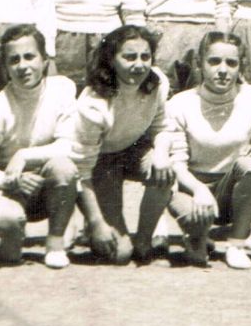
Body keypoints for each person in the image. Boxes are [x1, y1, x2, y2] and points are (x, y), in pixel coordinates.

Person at [65, 25, 177, 265]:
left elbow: (162, 128)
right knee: (119, 254)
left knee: (166, 170)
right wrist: (97, 223)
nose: (139, 64)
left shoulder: (157, 83)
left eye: (145, 56)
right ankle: (89, 224)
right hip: (100, 162)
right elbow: (81, 171)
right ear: (111, 60)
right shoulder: (94, 105)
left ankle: (145, 239)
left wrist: (160, 154)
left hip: (134, 150)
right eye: (129, 57)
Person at [163, 29, 251, 269]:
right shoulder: (180, 104)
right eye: (214, 61)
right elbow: (178, 165)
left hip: (232, 190)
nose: (223, 70)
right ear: (199, 63)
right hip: (194, 188)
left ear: (240, 66)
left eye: (231, 63)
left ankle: (236, 244)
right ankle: (197, 236)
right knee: (197, 250)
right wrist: (199, 189)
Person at [0, 26, 81, 268]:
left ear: (44, 60)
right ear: (5, 67)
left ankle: (55, 242)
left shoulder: (62, 89)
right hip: (8, 189)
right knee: (9, 250)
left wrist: (24, 155)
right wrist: (11, 180)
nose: (23, 66)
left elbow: (69, 146)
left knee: (63, 167)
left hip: (48, 187)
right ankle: (0, 234)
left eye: (30, 57)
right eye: (14, 60)